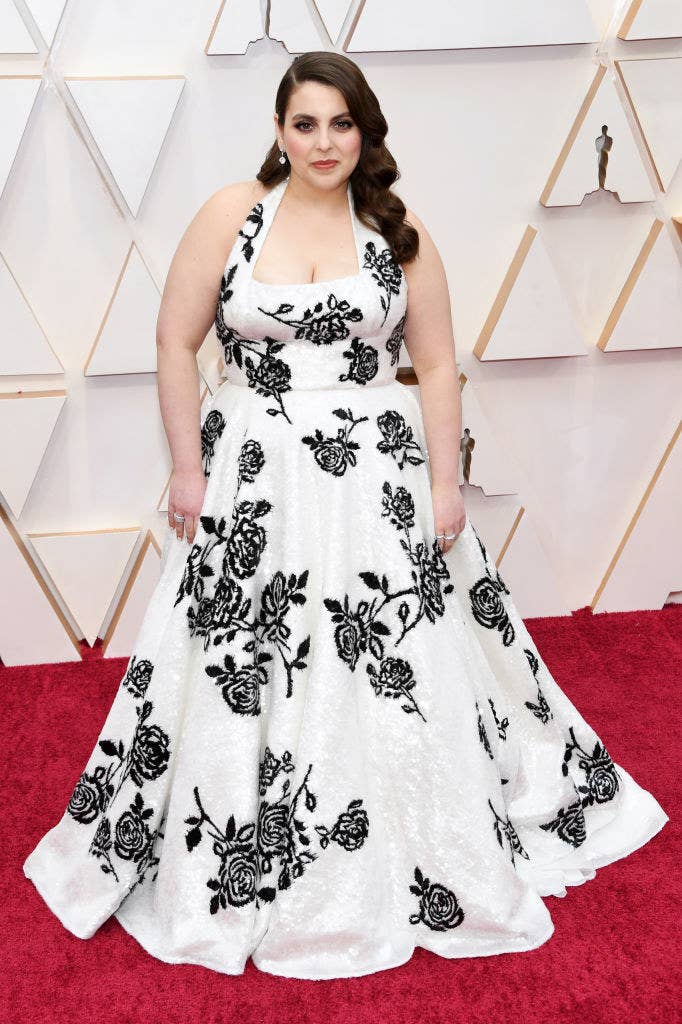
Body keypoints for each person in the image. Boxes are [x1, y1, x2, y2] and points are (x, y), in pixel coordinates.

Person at [23, 51, 669, 981]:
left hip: (376, 476)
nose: (323, 142)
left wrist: (447, 485)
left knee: (396, 656)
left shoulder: (397, 235)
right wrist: (186, 467)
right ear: (281, 132)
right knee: (244, 650)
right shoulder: (233, 214)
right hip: (253, 473)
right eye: (304, 123)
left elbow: (439, 365)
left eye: (340, 123)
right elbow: (174, 339)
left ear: (365, 131)